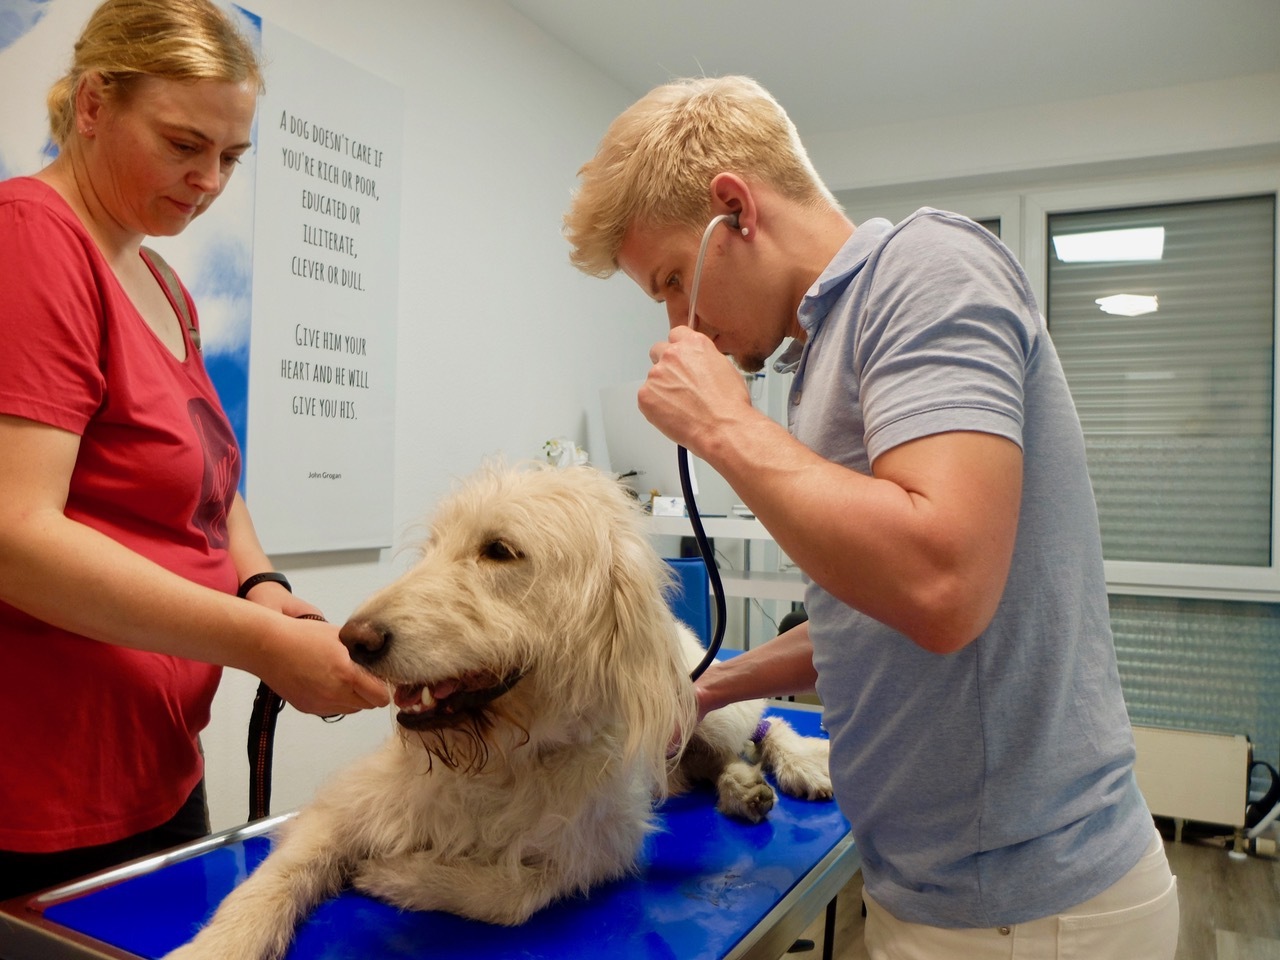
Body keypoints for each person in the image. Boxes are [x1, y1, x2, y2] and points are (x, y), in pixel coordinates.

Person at [564, 75, 1179, 959]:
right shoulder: (823, 355)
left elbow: (942, 585)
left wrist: (725, 426)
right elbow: (871, 616)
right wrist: (710, 689)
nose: (677, 323)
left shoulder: (926, 269)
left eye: (670, 280)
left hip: (1028, 911)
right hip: (937, 891)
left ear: (733, 211)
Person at [0, 0, 388, 900]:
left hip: (157, 765)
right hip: (46, 791)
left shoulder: (164, 284)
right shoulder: (31, 240)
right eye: (184, 145)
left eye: (231, 156)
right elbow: (15, 534)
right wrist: (261, 644)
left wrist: (263, 590)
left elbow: (213, 480)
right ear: (92, 104)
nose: (209, 180)